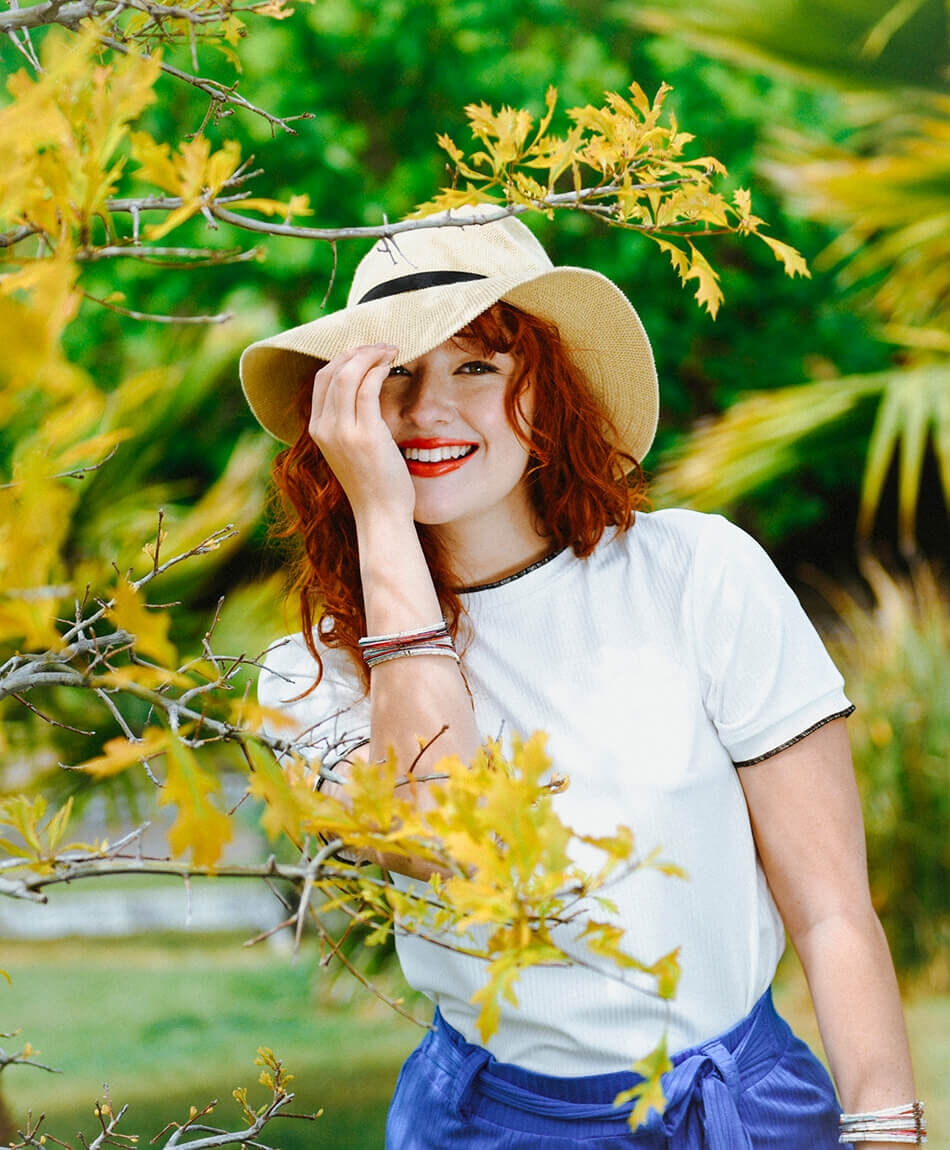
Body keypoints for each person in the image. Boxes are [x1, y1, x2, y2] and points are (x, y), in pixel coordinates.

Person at [239, 214, 923, 1148]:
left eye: (476, 366)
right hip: (492, 1126)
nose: (428, 409)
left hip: (738, 1105)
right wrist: (383, 522)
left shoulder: (698, 574)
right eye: (393, 375)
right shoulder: (308, 678)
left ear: (547, 394)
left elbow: (833, 910)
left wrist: (888, 1132)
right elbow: (440, 830)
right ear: (343, 415)